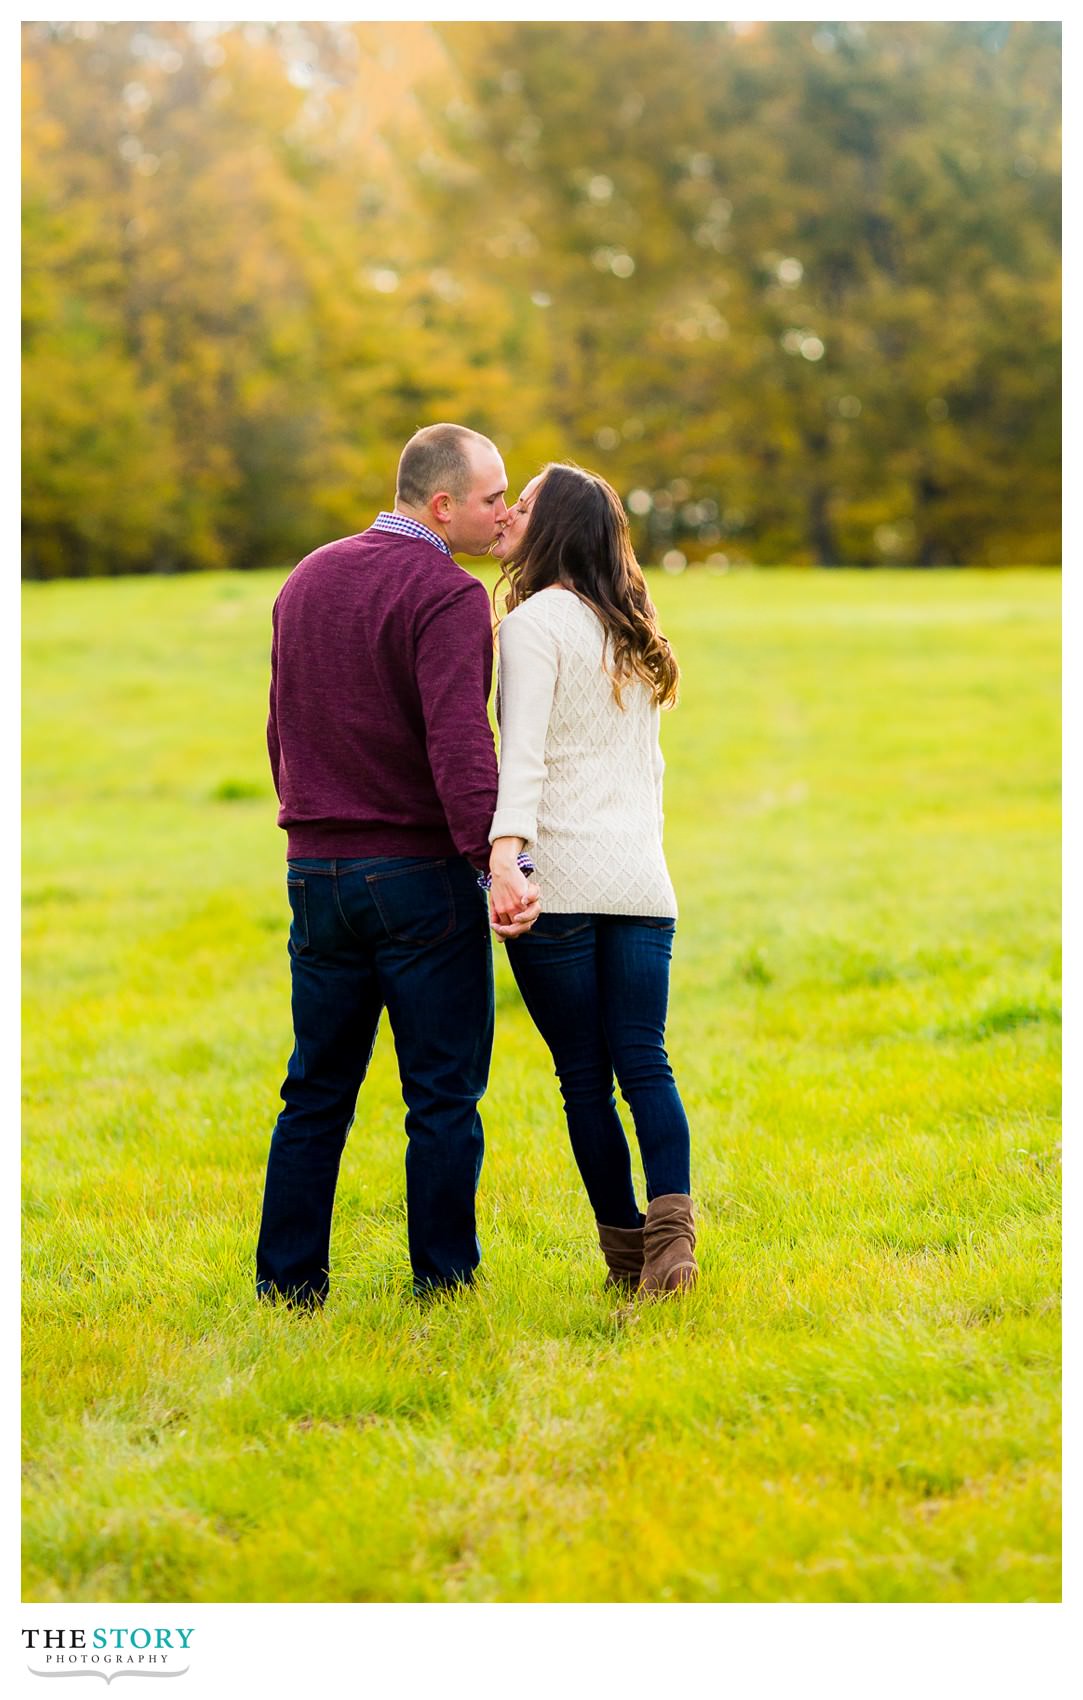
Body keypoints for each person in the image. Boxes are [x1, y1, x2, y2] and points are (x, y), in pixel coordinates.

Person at [257, 423, 539, 1308]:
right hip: (417, 876)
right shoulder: (446, 595)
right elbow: (461, 743)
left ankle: (287, 1287)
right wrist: (494, 861)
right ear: (442, 503)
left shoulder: (307, 576)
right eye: (493, 498)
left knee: (314, 1093)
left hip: (317, 875)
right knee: (443, 1096)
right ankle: (445, 1287)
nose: (502, 514)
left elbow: (281, 727)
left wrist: (305, 831)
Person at [487, 462, 698, 1296]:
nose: (507, 513)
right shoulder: (637, 631)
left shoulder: (532, 623)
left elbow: (523, 760)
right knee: (646, 1062)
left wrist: (507, 853)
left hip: (561, 886)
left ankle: (625, 1260)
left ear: (554, 527)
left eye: (524, 504)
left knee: (584, 1078)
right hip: (643, 884)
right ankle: (672, 1250)